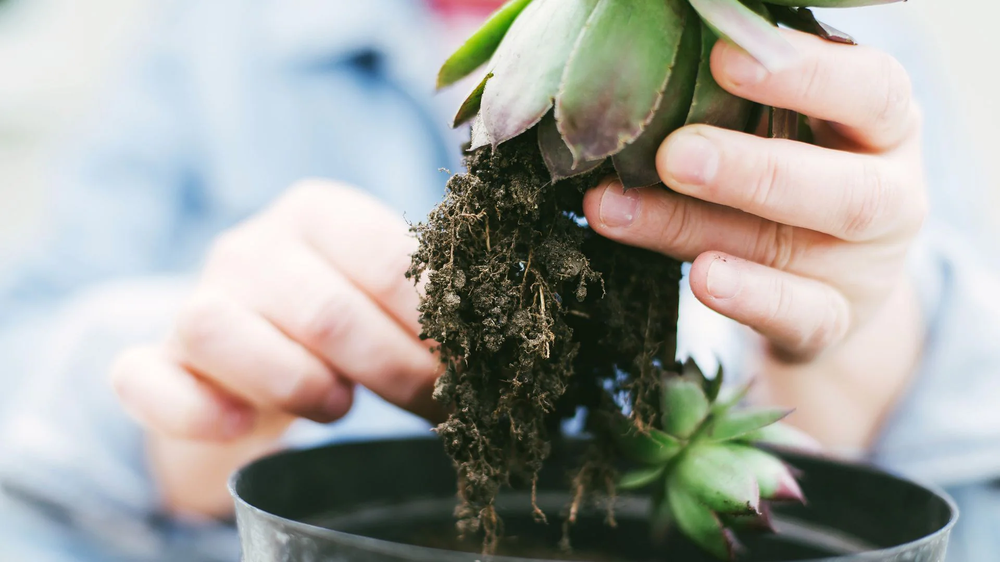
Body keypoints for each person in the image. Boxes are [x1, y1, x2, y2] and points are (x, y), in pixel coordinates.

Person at [0, 1, 997, 560]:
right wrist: (170, 400)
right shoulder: (216, 38)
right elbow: (28, 354)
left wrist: (872, 338)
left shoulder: (836, 45)